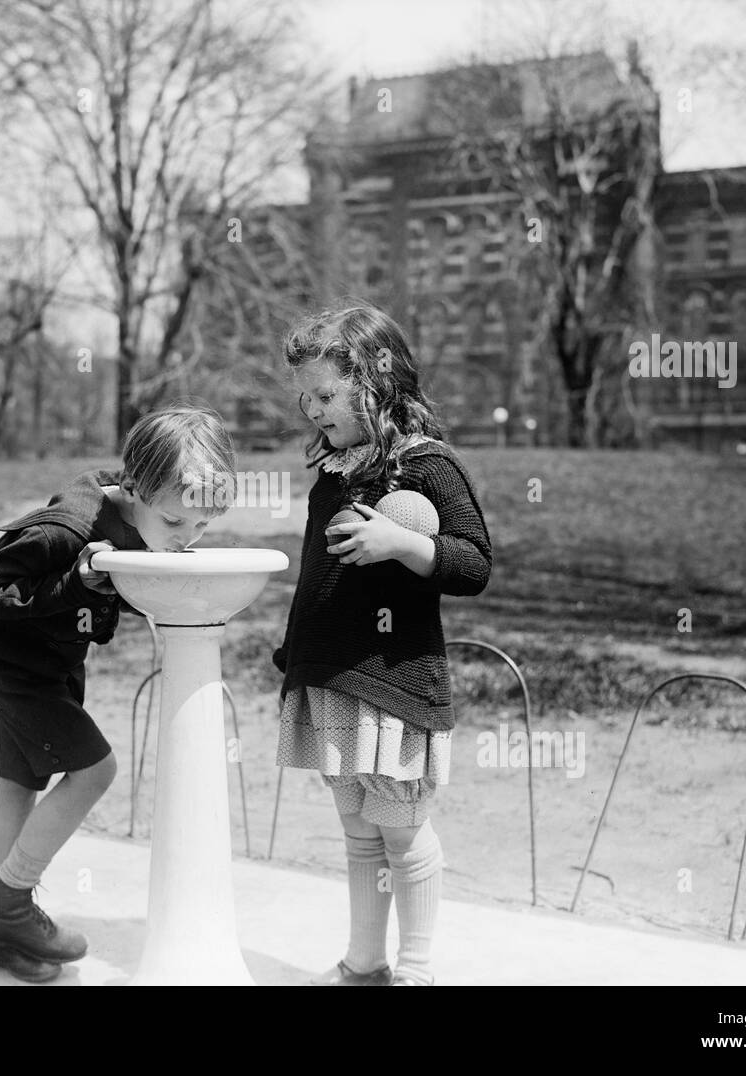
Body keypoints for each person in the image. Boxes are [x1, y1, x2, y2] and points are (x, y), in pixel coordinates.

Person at [0, 404, 236, 983]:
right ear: (134, 488)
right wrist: (74, 583)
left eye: (201, 527)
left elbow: (125, 589)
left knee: (19, 783)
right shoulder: (65, 530)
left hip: (51, 655)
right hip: (8, 653)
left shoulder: (142, 509)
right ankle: (10, 905)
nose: (186, 540)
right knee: (94, 770)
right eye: (176, 524)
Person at [271, 302, 493, 987]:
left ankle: (416, 972)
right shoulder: (331, 474)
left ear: (379, 381)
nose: (314, 408)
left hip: (393, 684)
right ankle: (364, 963)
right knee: (359, 834)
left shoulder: (427, 466)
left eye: (328, 394)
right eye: (306, 395)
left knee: (401, 830)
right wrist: (294, 657)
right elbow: (319, 576)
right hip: (332, 678)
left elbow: (473, 562)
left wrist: (402, 543)